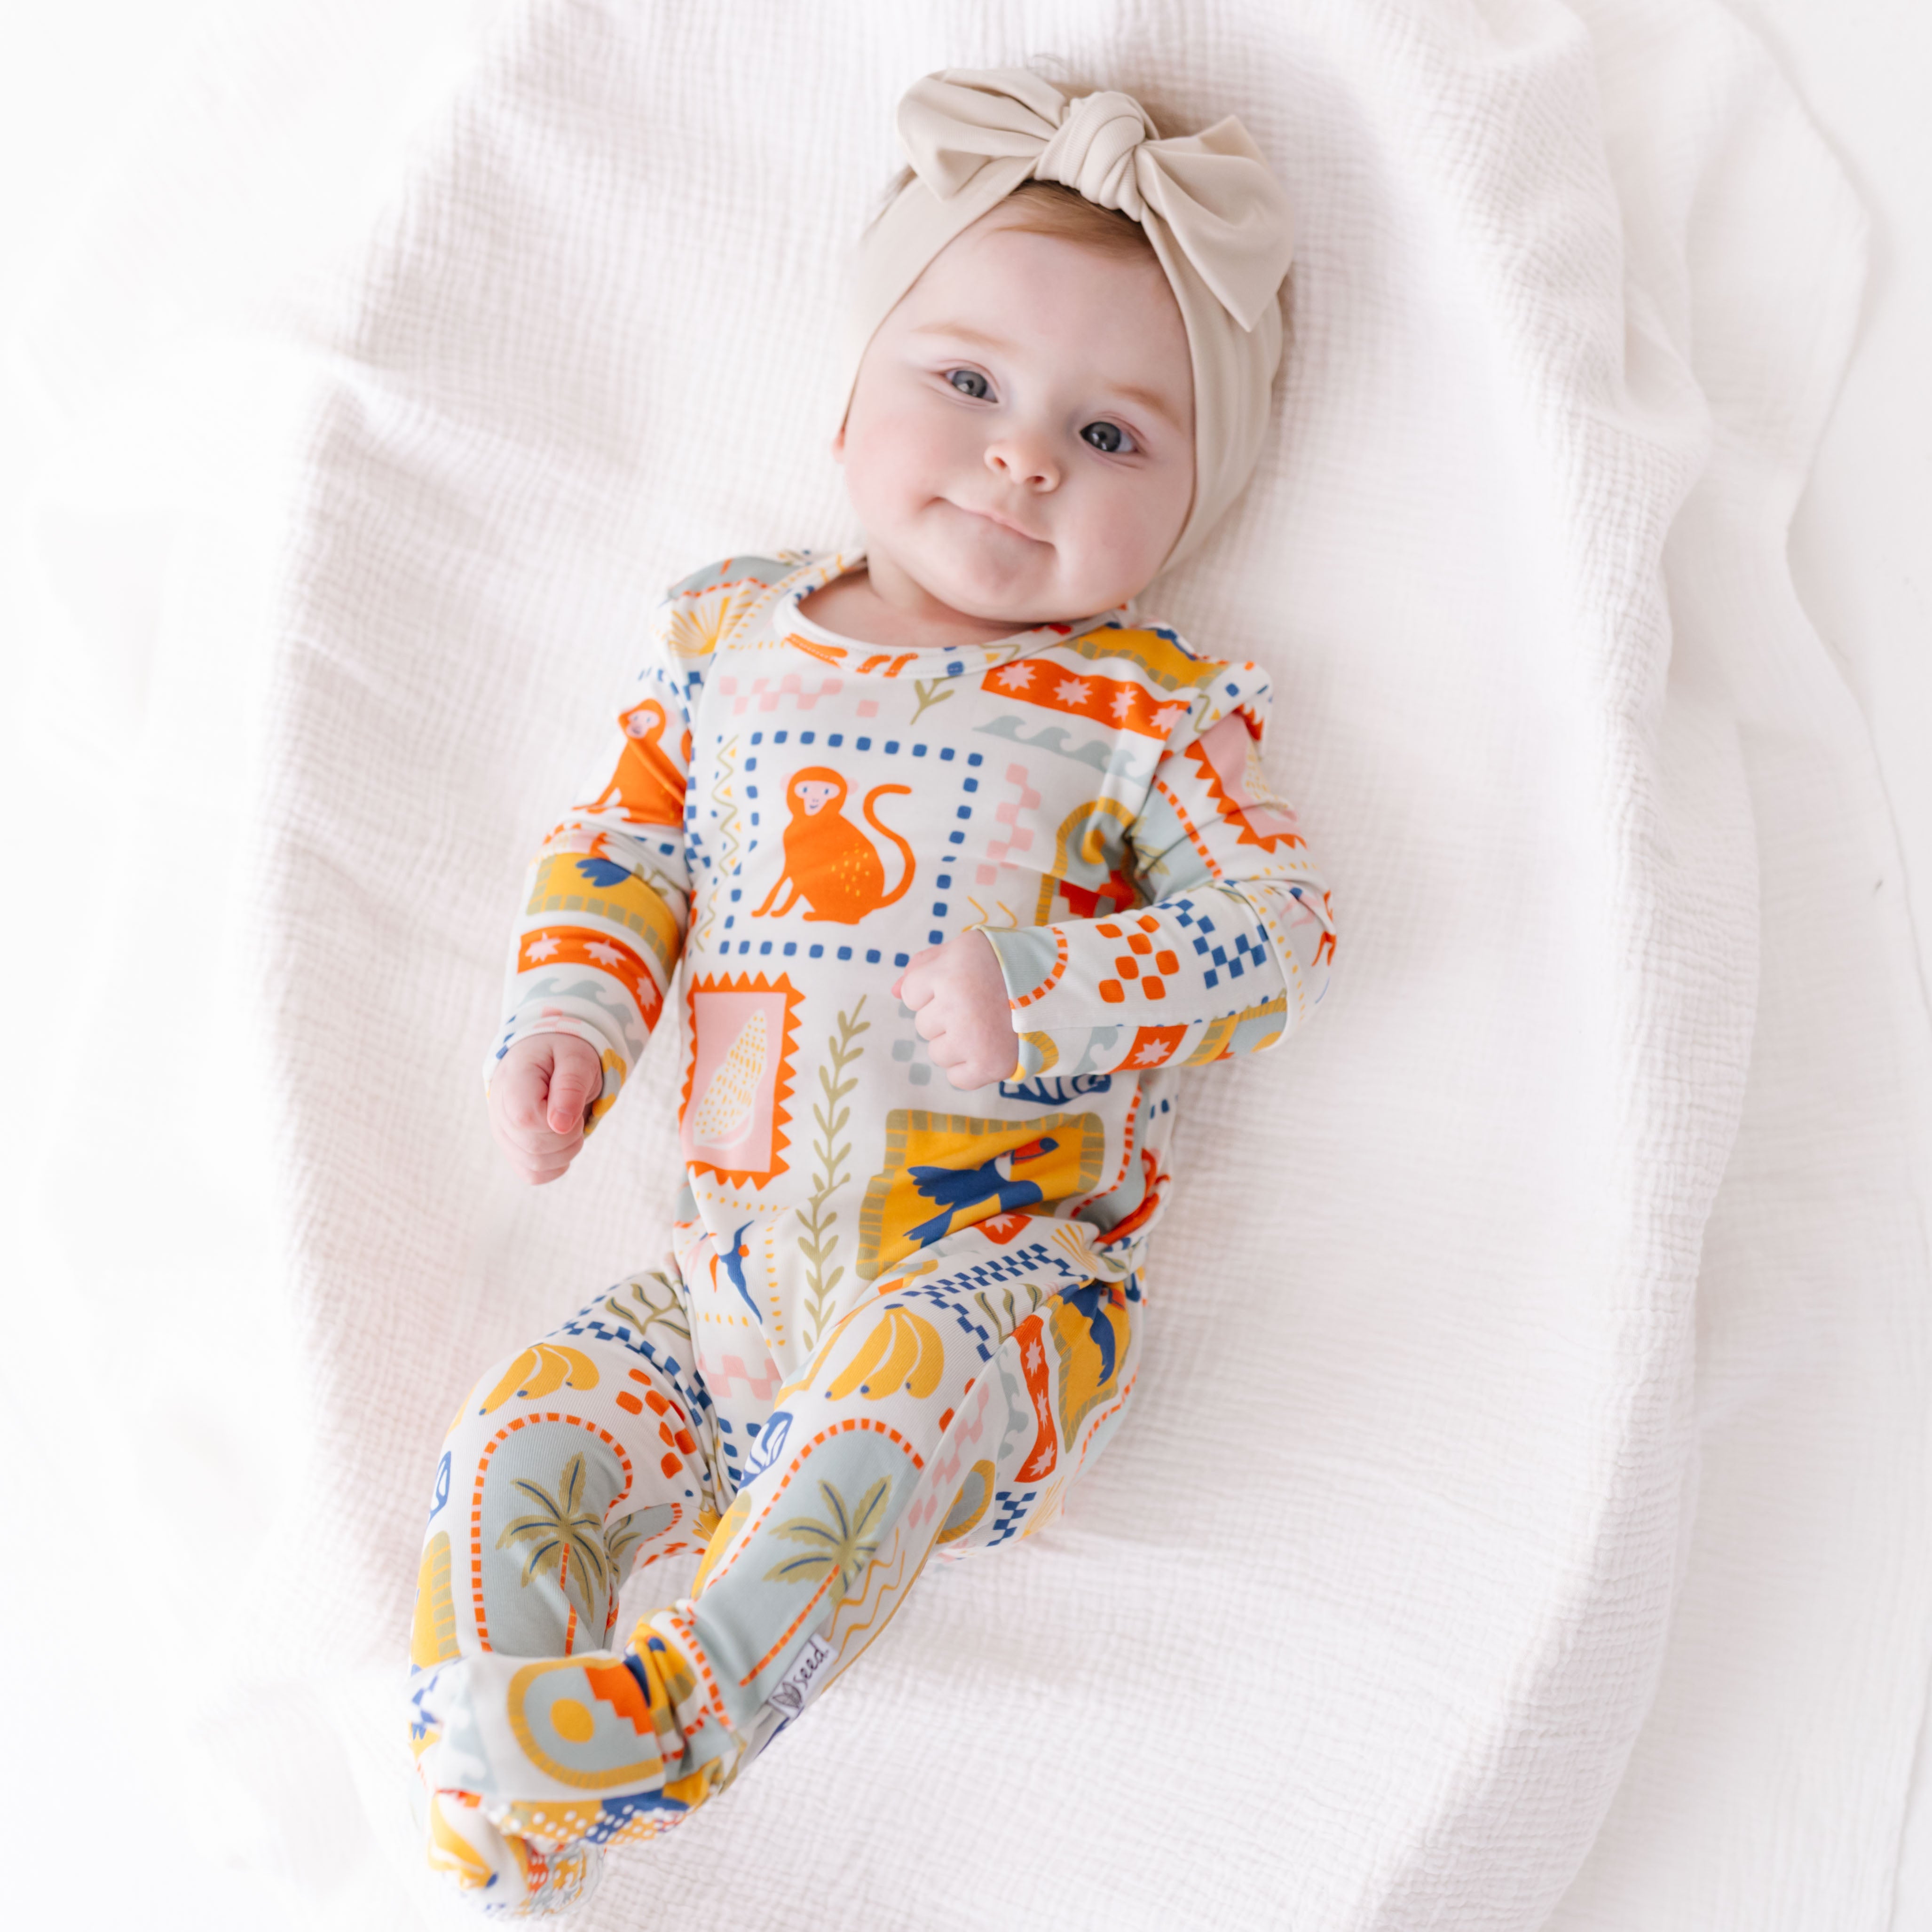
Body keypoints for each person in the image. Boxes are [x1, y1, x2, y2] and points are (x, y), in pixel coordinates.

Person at [407, 66, 1337, 1916]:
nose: (1021, 458)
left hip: (993, 1288)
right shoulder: (728, 641)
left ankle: (677, 1712)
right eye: (968, 384)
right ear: (848, 400)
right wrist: (569, 1018)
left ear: (1187, 511)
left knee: (887, 1410)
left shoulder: (1145, 713)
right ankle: (490, 1757)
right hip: (724, 1289)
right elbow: (625, 843)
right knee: (521, 1427)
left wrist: (1059, 988)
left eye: (1114, 437)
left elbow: (1278, 922)